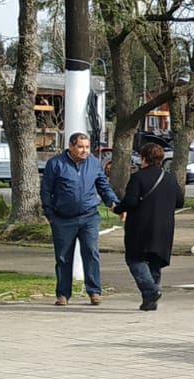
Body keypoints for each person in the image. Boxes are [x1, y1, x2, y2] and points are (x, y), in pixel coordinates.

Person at [40, 133, 121, 306]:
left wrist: (113, 203)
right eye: (80, 147)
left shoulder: (93, 163)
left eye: (87, 147)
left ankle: (94, 292)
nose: (84, 151)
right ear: (71, 146)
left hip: (89, 217)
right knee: (63, 257)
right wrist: (50, 214)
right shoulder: (56, 164)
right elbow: (46, 190)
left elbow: (103, 186)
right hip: (62, 219)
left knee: (91, 252)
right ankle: (63, 294)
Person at [114, 142, 184, 310]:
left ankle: (151, 291)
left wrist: (117, 209)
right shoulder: (169, 178)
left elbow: (130, 202)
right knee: (154, 261)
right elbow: (180, 202)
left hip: (141, 227)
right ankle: (149, 301)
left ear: (143, 158)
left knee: (135, 260)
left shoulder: (138, 178)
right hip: (164, 227)